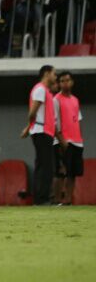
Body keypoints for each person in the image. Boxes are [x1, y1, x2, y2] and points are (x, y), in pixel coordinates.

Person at [21, 65, 57, 206]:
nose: (55, 77)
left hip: (43, 131)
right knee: (46, 166)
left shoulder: (45, 91)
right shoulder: (40, 89)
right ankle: (42, 198)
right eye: (54, 74)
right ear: (46, 74)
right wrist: (30, 126)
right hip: (42, 131)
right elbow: (32, 112)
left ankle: (40, 198)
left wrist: (28, 128)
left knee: (43, 165)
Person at [54, 71, 84, 206]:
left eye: (67, 80)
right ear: (59, 84)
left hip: (77, 142)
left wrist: (80, 139)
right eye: (62, 81)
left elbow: (78, 120)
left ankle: (68, 201)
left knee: (73, 173)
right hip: (63, 141)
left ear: (72, 82)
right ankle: (56, 201)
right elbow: (54, 122)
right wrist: (61, 140)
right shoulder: (56, 100)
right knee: (61, 172)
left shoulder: (75, 100)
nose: (65, 83)